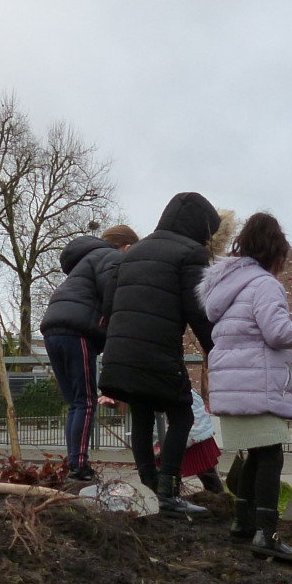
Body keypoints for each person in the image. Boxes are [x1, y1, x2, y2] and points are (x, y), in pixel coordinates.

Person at [199, 212, 292, 562]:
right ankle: (267, 534)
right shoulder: (265, 284)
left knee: (256, 454)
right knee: (271, 454)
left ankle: (243, 525)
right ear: (277, 255)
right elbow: (278, 333)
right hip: (257, 386)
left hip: (233, 386)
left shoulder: (229, 287)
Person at [99, 192, 220, 519]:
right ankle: (167, 492)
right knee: (182, 414)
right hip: (157, 352)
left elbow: (109, 301)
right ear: (198, 227)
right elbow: (198, 309)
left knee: (141, 413)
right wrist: (217, 351)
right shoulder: (190, 252)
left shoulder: (133, 252)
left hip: (120, 351)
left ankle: (149, 489)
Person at [39, 223, 139, 483]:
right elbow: (113, 295)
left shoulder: (85, 262)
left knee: (75, 402)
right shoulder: (112, 257)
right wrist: (116, 328)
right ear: (127, 247)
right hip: (77, 331)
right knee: (85, 401)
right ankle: (79, 468)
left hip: (53, 330)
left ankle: (75, 461)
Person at [180, 387, 224, 493]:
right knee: (163, 478)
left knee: (207, 473)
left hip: (190, 419)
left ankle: (221, 504)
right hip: (158, 407)